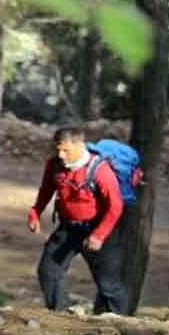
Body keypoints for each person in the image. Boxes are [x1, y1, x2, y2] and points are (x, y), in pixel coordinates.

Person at [27, 127, 128, 315]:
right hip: (68, 228)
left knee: (109, 285)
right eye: (57, 149)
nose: (61, 155)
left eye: (66, 150)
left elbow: (115, 206)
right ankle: (62, 314)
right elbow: (46, 190)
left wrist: (99, 235)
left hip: (98, 229)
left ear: (80, 146)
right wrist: (35, 212)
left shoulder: (100, 170)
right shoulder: (54, 165)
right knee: (48, 271)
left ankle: (119, 321)